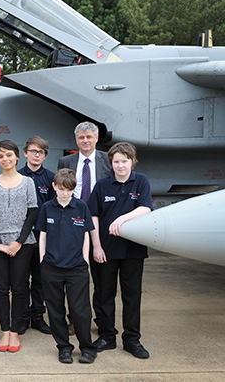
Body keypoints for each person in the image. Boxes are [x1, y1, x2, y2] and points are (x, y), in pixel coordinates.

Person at [88, 142, 153, 359]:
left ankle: (132, 340)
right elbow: (93, 217)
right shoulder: (102, 185)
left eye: (125, 161)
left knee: (132, 296)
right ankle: (107, 336)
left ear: (132, 161)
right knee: (104, 294)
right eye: (116, 161)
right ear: (111, 164)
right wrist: (96, 246)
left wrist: (122, 218)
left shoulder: (141, 180)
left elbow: (145, 208)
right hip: (106, 250)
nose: (121, 165)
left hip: (133, 250)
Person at [36, 168, 97, 364]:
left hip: (76, 267)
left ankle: (87, 347)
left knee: (80, 310)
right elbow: (42, 234)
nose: (65, 193)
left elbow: (86, 233)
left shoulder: (81, 207)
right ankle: (63, 347)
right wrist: (42, 259)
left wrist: (85, 260)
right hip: (51, 267)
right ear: (54, 187)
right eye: (61, 189)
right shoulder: (47, 207)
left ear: (74, 189)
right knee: (55, 310)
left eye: (69, 189)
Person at [0, 140, 38, 353]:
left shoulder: (28, 183)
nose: (5, 159)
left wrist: (19, 241)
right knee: (1, 287)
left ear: (17, 157)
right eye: (0, 156)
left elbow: (32, 212)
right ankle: (4, 330)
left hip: (22, 244)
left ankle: (15, 331)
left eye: (9, 155)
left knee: (19, 287)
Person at [57, 121, 111, 332]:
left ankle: (101, 320)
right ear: (76, 139)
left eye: (89, 137)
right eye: (81, 137)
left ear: (96, 138)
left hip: (102, 224)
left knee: (102, 277)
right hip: (73, 224)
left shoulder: (107, 160)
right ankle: (75, 320)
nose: (85, 141)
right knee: (74, 278)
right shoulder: (65, 161)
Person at [17, 136, 55, 335]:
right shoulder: (17, 176)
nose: (36, 155)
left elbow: (53, 209)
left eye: (40, 152)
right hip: (21, 238)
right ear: (25, 153)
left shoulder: (50, 178)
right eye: (33, 151)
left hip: (41, 238)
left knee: (40, 280)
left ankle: (38, 316)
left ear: (45, 156)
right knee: (22, 279)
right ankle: (23, 316)